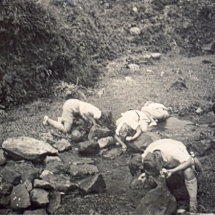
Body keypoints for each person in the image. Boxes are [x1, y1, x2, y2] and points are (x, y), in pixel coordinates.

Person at [129, 138, 201, 213]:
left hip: (180, 155)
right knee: (166, 180)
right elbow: (149, 168)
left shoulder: (173, 151)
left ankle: (193, 202)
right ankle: (170, 196)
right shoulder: (146, 156)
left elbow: (189, 161)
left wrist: (173, 171)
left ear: (162, 164)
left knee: (188, 171)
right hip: (164, 156)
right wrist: (146, 174)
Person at [43, 99, 112, 136]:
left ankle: (62, 120)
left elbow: (85, 115)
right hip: (70, 107)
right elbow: (86, 113)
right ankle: (47, 120)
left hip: (75, 106)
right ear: (103, 119)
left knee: (82, 123)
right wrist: (94, 122)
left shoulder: (98, 112)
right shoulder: (97, 115)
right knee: (66, 130)